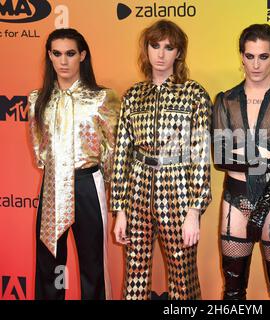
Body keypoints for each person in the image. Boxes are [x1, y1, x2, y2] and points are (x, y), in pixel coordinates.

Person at [111, 19, 212, 300]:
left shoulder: (194, 95)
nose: (160, 54)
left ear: (178, 53)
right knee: (134, 276)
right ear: (146, 49)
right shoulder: (133, 96)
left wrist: (195, 209)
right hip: (138, 189)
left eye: (169, 48)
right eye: (154, 46)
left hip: (178, 188)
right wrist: (120, 209)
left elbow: (201, 155)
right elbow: (122, 154)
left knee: (183, 276)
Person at [212, 24, 270, 300]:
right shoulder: (225, 100)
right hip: (235, 198)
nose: (255, 64)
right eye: (250, 56)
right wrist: (267, 157)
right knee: (232, 291)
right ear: (241, 55)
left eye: (263, 56)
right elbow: (220, 158)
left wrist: (241, 155)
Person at [28, 28, 120, 300]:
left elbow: (114, 149)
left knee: (93, 263)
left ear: (82, 55)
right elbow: (39, 147)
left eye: (70, 53)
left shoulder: (102, 98)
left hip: (88, 185)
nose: (63, 61)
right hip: (53, 184)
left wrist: (111, 189)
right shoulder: (38, 99)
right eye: (56, 54)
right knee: (49, 263)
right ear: (49, 56)